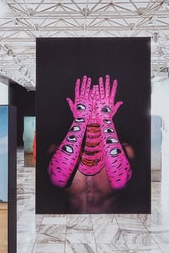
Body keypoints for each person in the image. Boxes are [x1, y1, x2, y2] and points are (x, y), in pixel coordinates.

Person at [48, 75, 133, 213]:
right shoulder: (56, 150)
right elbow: (58, 179)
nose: (93, 114)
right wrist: (81, 118)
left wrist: (105, 119)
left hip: (109, 227)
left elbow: (120, 181)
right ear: (75, 107)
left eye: (100, 106)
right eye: (86, 106)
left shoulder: (125, 151)